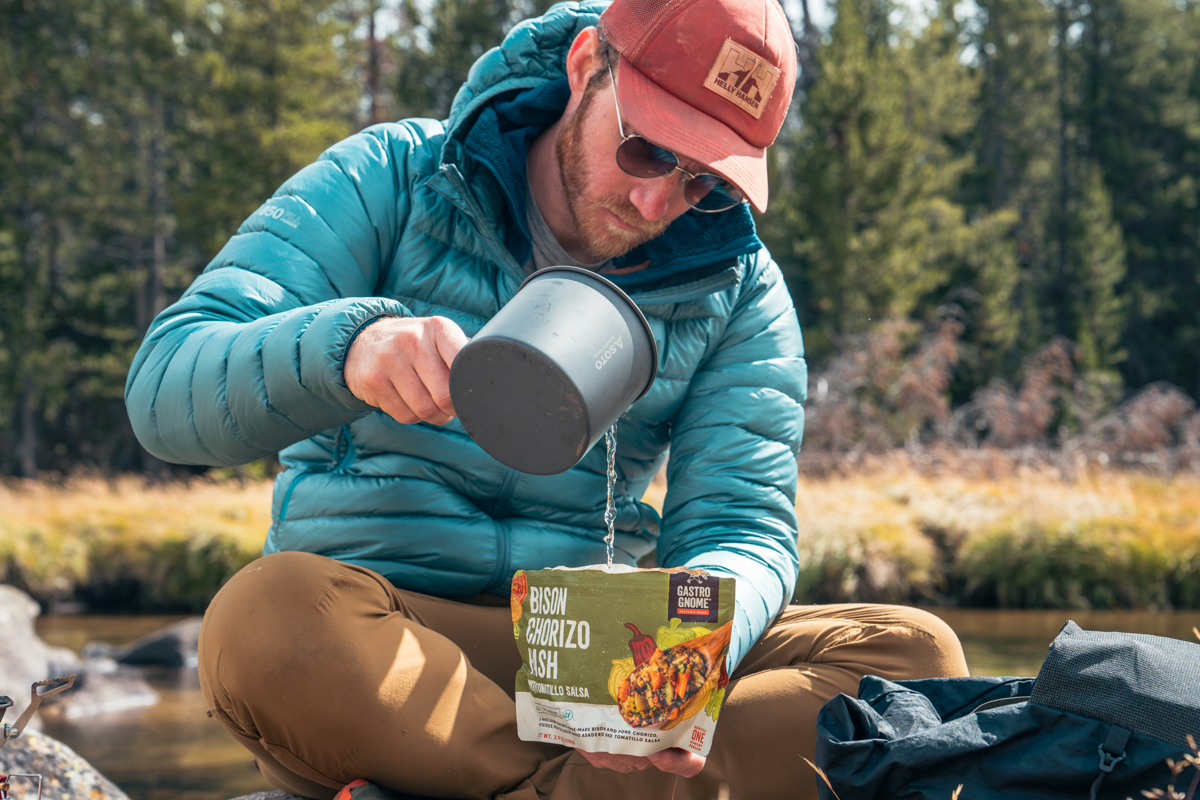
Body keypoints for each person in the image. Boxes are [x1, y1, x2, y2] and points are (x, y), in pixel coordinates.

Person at [125, 0, 969, 797]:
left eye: (704, 182)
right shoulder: (393, 177)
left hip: (598, 651)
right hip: (385, 630)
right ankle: (591, 788)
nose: (655, 203)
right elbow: (165, 390)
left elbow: (739, 527)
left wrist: (685, 661)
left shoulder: (738, 290)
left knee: (911, 660)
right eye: (645, 149)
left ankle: (493, 783)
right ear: (585, 63)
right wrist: (347, 349)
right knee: (262, 621)